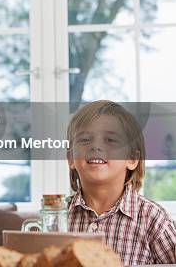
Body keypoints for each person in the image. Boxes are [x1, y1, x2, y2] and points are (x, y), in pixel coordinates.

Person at [66, 100, 176, 265]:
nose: (96, 146)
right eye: (85, 139)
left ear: (132, 159)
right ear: (71, 159)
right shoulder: (56, 216)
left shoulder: (153, 220)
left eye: (110, 140)